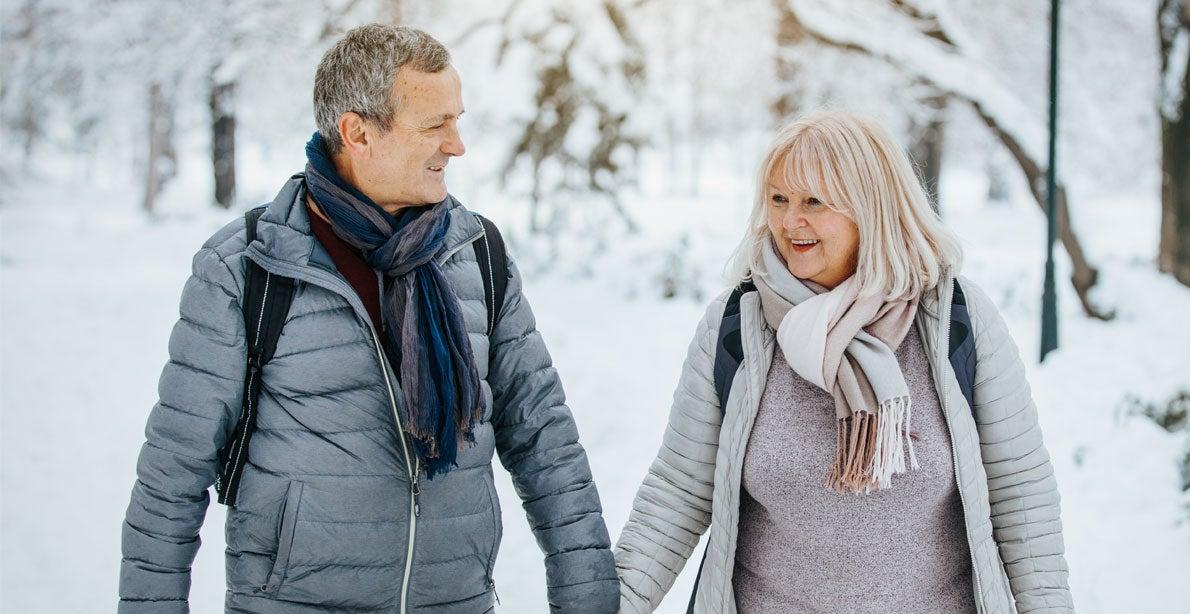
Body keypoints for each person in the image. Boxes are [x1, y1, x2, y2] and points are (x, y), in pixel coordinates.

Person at [118, 24, 618, 613]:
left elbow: (544, 438)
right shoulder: (248, 267)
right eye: (435, 125)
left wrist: (589, 599)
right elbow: (173, 471)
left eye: (457, 119)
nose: (456, 145)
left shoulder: (477, 252)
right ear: (358, 133)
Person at [613, 111, 1073, 613]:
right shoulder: (738, 326)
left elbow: (1022, 496)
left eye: (815, 201)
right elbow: (678, 490)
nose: (791, 222)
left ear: (870, 208)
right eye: (779, 199)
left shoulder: (954, 322)